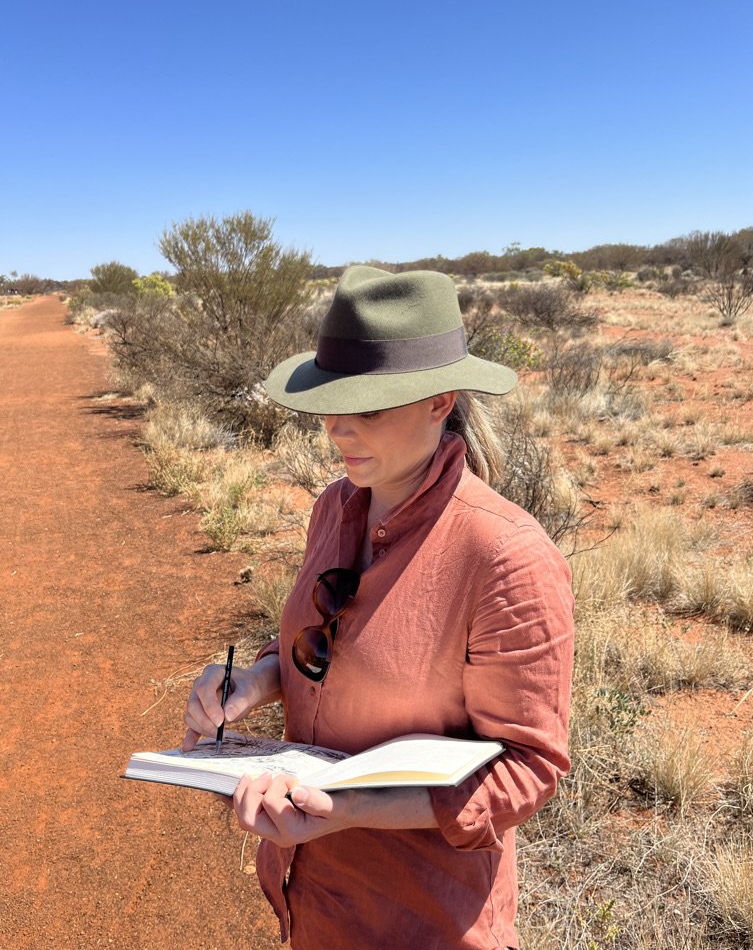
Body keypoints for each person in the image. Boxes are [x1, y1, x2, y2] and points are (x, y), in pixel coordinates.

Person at [182, 265, 574, 949]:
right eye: (331, 402)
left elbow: (527, 768)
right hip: (314, 904)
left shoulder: (503, 555)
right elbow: (313, 644)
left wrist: (348, 808)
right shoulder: (334, 508)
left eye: (367, 408)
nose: (337, 428)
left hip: (424, 920)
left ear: (438, 400)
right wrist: (254, 683)